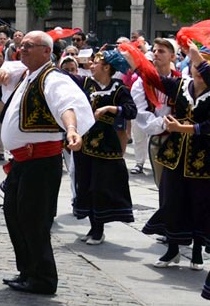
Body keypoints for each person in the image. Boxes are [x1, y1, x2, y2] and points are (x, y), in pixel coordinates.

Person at [0, 31, 94, 295]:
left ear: (46, 52)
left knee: (34, 220)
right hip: (21, 161)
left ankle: (43, 277)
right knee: (14, 214)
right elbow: (9, 67)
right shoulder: (29, 75)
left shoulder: (52, 79)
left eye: (29, 46)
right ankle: (28, 270)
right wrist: (4, 71)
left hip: (40, 162)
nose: (22, 50)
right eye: (21, 46)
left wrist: (71, 128)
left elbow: (67, 104)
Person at [124, 41, 208, 272]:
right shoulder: (181, 84)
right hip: (174, 155)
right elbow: (154, 79)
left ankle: (197, 252)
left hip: (202, 159)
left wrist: (188, 129)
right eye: (195, 64)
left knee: (200, 203)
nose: (198, 70)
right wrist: (138, 60)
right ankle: (172, 249)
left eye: (204, 66)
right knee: (171, 199)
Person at [67, 49, 136, 245]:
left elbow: (132, 110)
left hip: (106, 146)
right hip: (84, 142)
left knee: (100, 187)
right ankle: (92, 227)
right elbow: (65, 78)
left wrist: (111, 108)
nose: (91, 66)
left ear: (106, 67)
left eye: (96, 63)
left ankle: (99, 229)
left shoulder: (118, 88)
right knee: (86, 185)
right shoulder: (85, 83)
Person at [130, 38, 179, 183]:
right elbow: (141, 114)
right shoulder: (141, 82)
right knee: (162, 183)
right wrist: (164, 124)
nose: (156, 54)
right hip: (158, 137)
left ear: (172, 56)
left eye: (161, 51)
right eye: (154, 50)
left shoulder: (182, 80)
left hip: (179, 137)